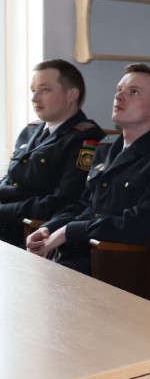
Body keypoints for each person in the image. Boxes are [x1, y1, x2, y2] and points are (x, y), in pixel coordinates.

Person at [25, 63, 150, 275]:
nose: (119, 97)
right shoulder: (106, 146)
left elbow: (143, 223)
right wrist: (49, 228)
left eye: (133, 92)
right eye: (119, 90)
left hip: (111, 263)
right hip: (73, 253)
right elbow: (86, 203)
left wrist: (70, 231)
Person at [0, 59, 105, 246]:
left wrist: (3, 211)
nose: (34, 98)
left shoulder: (86, 138)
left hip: (31, 233)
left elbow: (64, 201)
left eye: (44, 90)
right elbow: (10, 181)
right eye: (33, 90)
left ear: (71, 95)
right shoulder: (30, 131)